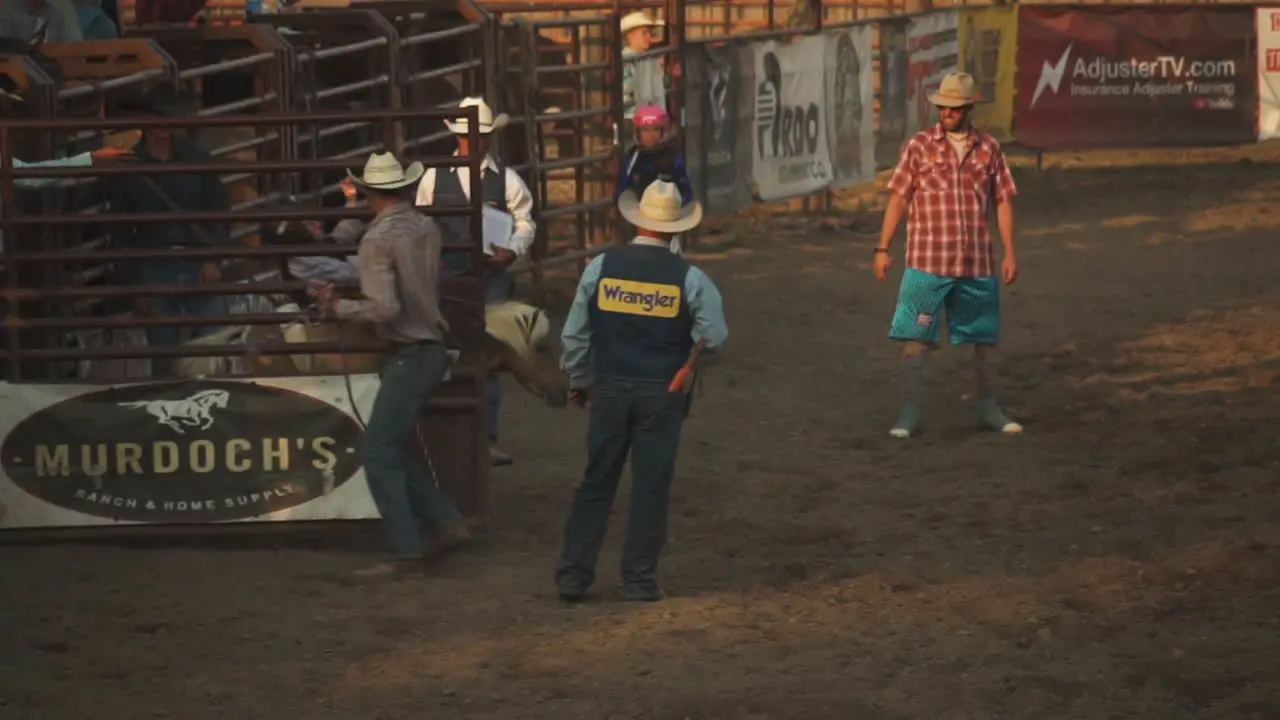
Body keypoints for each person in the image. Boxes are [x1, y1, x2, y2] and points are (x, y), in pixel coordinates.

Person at [555, 179, 728, 603]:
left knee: (597, 479)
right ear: (675, 228)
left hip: (610, 386)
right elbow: (715, 336)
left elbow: (575, 335)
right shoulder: (690, 277)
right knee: (650, 484)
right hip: (661, 389)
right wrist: (687, 362)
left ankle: (574, 576)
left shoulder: (599, 266)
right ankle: (638, 579)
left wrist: (579, 381)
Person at [310, 152, 472, 578]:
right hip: (430, 344)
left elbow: (383, 306)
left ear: (365, 192)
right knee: (389, 443)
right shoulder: (424, 225)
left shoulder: (375, 240)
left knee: (378, 449)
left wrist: (337, 306)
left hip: (410, 349)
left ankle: (406, 549)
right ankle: (446, 520)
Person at [874, 72, 1020, 439]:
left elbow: (1002, 200)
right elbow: (899, 199)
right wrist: (882, 247)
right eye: (943, 105)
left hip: (976, 259)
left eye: (954, 106)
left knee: (985, 338)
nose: (947, 111)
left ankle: (989, 407)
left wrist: (1010, 251)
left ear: (969, 107)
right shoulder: (918, 146)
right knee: (915, 336)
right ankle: (909, 411)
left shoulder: (989, 149)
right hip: (927, 260)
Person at [415, 96, 536, 468]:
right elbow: (422, 223)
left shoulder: (506, 180)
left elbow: (525, 224)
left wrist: (512, 251)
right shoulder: (434, 177)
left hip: (486, 274)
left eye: (480, 135)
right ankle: (449, 436)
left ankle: (486, 438)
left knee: (487, 352)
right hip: (448, 274)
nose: (475, 141)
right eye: (471, 135)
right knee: (447, 350)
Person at [106, 85, 232, 374]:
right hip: (156, 264)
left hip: (189, 260)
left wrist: (214, 259)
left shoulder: (196, 157)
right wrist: (136, 284)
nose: (163, 123)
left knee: (212, 349)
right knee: (168, 355)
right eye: (157, 116)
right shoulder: (131, 165)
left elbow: (219, 214)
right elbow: (121, 229)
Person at [614, 104, 693, 255]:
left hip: (667, 222)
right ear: (637, 131)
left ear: (664, 131)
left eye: (656, 129)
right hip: (638, 222)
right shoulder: (632, 159)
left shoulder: (672, 158)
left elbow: (685, 189)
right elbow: (623, 190)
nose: (651, 135)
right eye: (645, 130)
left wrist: (678, 213)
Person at [619, 11, 667, 123]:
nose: (648, 37)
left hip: (645, 115)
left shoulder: (648, 58)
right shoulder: (627, 59)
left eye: (649, 33)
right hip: (632, 116)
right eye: (644, 33)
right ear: (630, 36)